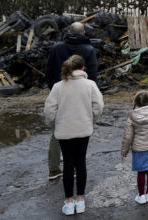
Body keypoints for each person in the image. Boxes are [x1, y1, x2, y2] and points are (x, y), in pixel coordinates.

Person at [44, 55, 104, 216]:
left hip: (64, 131)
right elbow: (98, 106)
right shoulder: (90, 85)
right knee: (81, 162)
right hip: (83, 129)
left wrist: (53, 124)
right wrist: (91, 119)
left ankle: (69, 202)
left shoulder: (58, 86)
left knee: (68, 164)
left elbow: (49, 111)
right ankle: (81, 200)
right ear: (83, 68)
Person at [45, 22, 98, 181]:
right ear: (84, 33)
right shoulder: (88, 50)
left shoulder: (56, 48)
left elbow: (48, 71)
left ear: (68, 32)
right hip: (82, 96)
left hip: (60, 93)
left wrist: (54, 89)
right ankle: (75, 168)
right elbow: (93, 73)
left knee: (56, 134)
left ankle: (54, 169)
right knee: (79, 132)